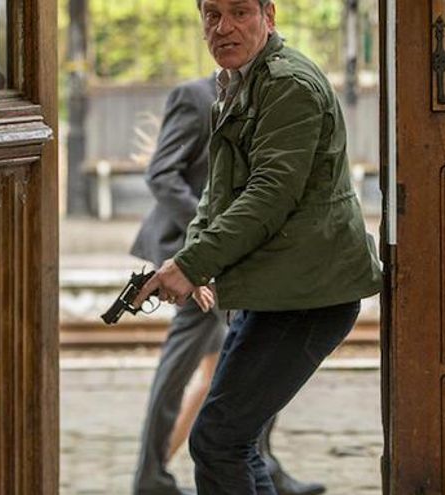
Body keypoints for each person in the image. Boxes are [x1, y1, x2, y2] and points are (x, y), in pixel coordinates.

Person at [133, 0, 383, 493]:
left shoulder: (288, 85)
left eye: (240, 12)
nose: (223, 27)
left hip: (308, 296)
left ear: (269, 17)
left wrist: (193, 264)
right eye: (212, 15)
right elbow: (218, 193)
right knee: (229, 440)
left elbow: (269, 194)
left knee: (219, 440)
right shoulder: (242, 82)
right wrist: (192, 260)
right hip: (278, 289)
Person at [130, 75, 327, 495]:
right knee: (199, 363)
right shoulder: (193, 96)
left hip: (230, 253)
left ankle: (258, 465)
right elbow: (162, 175)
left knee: (249, 355)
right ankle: (153, 477)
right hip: (192, 253)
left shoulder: (270, 97)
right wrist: (212, 238)